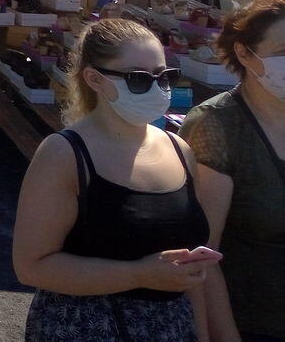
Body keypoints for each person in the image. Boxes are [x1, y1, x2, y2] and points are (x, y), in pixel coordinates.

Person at [13, 18, 216, 342]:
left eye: (164, 76)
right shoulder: (63, 155)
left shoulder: (180, 150)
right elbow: (31, 266)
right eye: (139, 78)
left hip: (174, 329)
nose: (157, 88)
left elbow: (190, 270)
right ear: (94, 79)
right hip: (85, 330)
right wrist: (141, 274)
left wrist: (201, 334)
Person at [180, 0, 285, 342]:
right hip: (253, 326)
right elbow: (202, 256)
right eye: (283, 52)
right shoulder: (217, 126)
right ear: (244, 53)